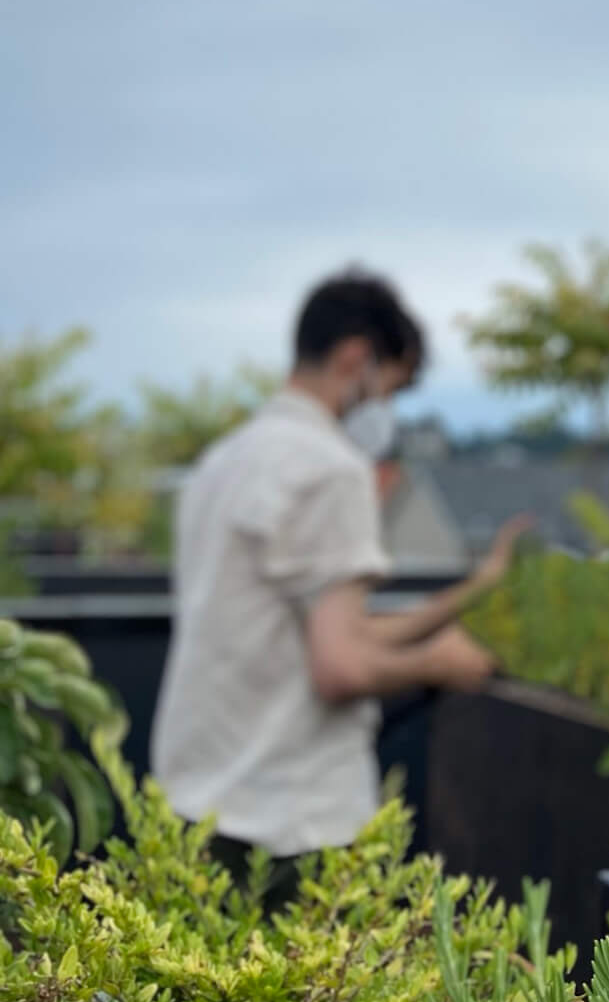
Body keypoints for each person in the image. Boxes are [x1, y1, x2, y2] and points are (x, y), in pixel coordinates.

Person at [152, 270, 527, 905]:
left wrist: (466, 594)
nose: (385, 410)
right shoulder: (329, 468)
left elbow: (321, 633)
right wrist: (438, 662)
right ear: (357, 357)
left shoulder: (222, 464)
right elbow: (341, 667)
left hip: (197, 801)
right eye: (391, 389)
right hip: (289, 824)